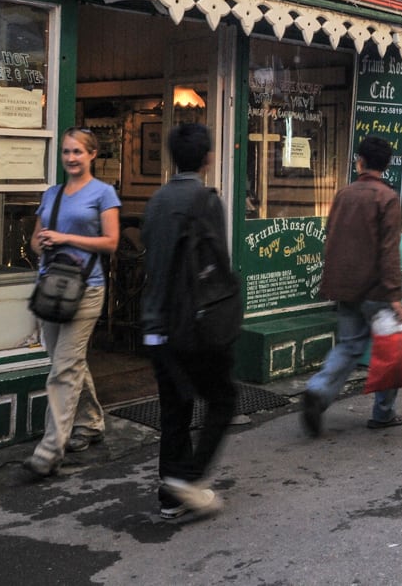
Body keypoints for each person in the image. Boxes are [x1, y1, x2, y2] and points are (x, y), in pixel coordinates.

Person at [139, 123, 236, 524]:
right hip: (196, 323)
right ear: (208, 158)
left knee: (174, 409)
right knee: (223, 400)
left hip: (155, 322)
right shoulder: (205, 200)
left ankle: (169, 495)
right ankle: (188, 479)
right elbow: (218, 264)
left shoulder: (157, 200)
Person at [23, 127, 120, 477]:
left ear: (92, 154)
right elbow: (34, 240)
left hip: (86, 288)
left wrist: (65, 237)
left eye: (77, 152)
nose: (71, 158)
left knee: (64, 367)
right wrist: (44, 243)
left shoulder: (103, 193)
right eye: (66, 152)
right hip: (51, 287)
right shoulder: (52, 194)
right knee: (67, 361)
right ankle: (91, 422)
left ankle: (49, 450)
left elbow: (111, 243)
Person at [300, 136, 402, 435]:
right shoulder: (387, 198)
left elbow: (330, 236)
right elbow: (389, 250)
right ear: (386, 165)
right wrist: (395, 295)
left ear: (359, 161)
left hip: (345, 286)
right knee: (389, 351)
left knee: (349, 346)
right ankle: (383, 413)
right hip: (377, 289)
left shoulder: (344, 194)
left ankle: (318, 390)